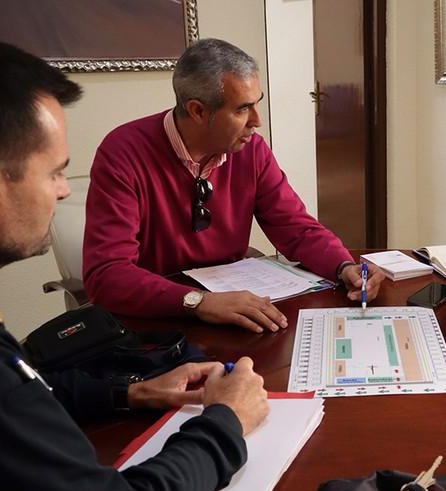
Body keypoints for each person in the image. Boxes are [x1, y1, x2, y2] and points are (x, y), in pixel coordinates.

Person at [0, 34, 270, 491]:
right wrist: (226, 424)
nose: (63, 191)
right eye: (55, 171)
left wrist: (132, 393)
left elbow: (16, 396)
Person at [83, 38, 383, 332]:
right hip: (158, 322)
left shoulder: (251, 149)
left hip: (232, 316)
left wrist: (344, 268)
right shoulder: (123, 152)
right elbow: (106, 276)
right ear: (199, 111)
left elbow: (296, 228)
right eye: (242, 109)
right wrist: (199, 302)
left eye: (257, 104)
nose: (257, 121)